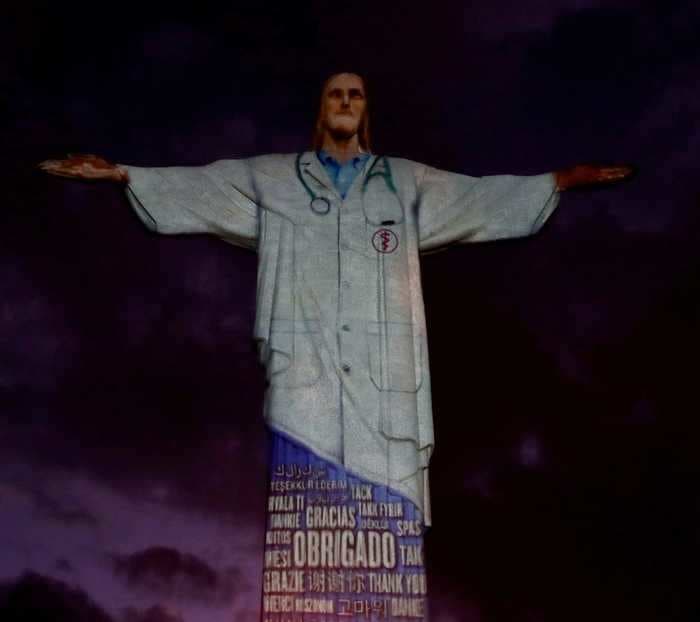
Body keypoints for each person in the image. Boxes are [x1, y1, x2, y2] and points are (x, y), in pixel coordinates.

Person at [40, 72, 632, 619]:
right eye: (335, 94)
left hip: (386, 392)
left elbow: (476, 199)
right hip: (308, 387)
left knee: (386, 563)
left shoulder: (403, 181)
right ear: (321, 110)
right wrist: (123, 174)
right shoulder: (274, 178)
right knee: (306, 550)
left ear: (366, 110)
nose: (346, 102)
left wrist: (554, 182)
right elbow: (204, 186)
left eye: (356, 95)